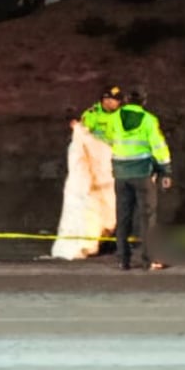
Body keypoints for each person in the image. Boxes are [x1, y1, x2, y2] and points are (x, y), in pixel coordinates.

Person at [52, 86, 124, 260]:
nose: (113, 103)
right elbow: (84, 141)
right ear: (103, 100)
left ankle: (107, 237)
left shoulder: (123, 116)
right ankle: (94, 241)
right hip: (96, 168)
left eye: (116, 100)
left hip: (113, 164)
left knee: (113, 206)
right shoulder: (92, 115)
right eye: (110, 99)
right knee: (91, 205)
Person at [105, 89, 173, 271]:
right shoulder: (149, 120)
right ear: (144, 101)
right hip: (142, 173)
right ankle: (148, 260)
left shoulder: (113, 118)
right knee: (147, 217)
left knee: (123, 217)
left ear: (126, 100)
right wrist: (165, 170)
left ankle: (123, 260)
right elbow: (158, 146)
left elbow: (109, 138)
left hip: (120, 174)